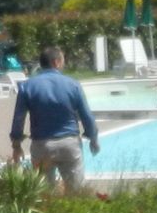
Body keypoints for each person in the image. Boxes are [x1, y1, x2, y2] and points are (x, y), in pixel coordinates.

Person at [8, 45, 99, 192]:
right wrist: (93, 137)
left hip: (42, 145)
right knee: (76, 193)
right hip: (69, 144)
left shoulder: (27, 86)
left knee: (44, 194)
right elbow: (86, 115)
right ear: (56, 62)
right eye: (62, 61)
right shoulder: (73, 85)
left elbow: (18, 118)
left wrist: (16, 144)